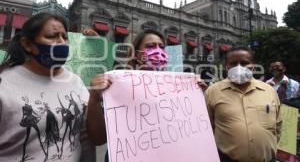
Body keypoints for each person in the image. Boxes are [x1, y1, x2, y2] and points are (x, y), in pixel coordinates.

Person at [84, 28, 208, 161]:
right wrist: (94, 98)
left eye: (161, 47)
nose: (158, 51)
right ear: (136, 54)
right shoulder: (117, 83)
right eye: (150, 46)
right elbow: (98, 138)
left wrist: (197, 97)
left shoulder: (178, 87)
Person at [0, 13, 106, 162]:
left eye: (65, 37)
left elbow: (94, 137)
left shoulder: (76, 81)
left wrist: (95, 99)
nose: (61, 42)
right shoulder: (4, 84)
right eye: (52, 37)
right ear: (27, 44)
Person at [205, 47, 282, 162]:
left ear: (253, 66)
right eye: (233, 63)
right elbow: (207, 127)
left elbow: (278, 125)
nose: (239, 67)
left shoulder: (269, 91)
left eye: (245, 63)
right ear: (227, 66)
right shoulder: (212, 92)